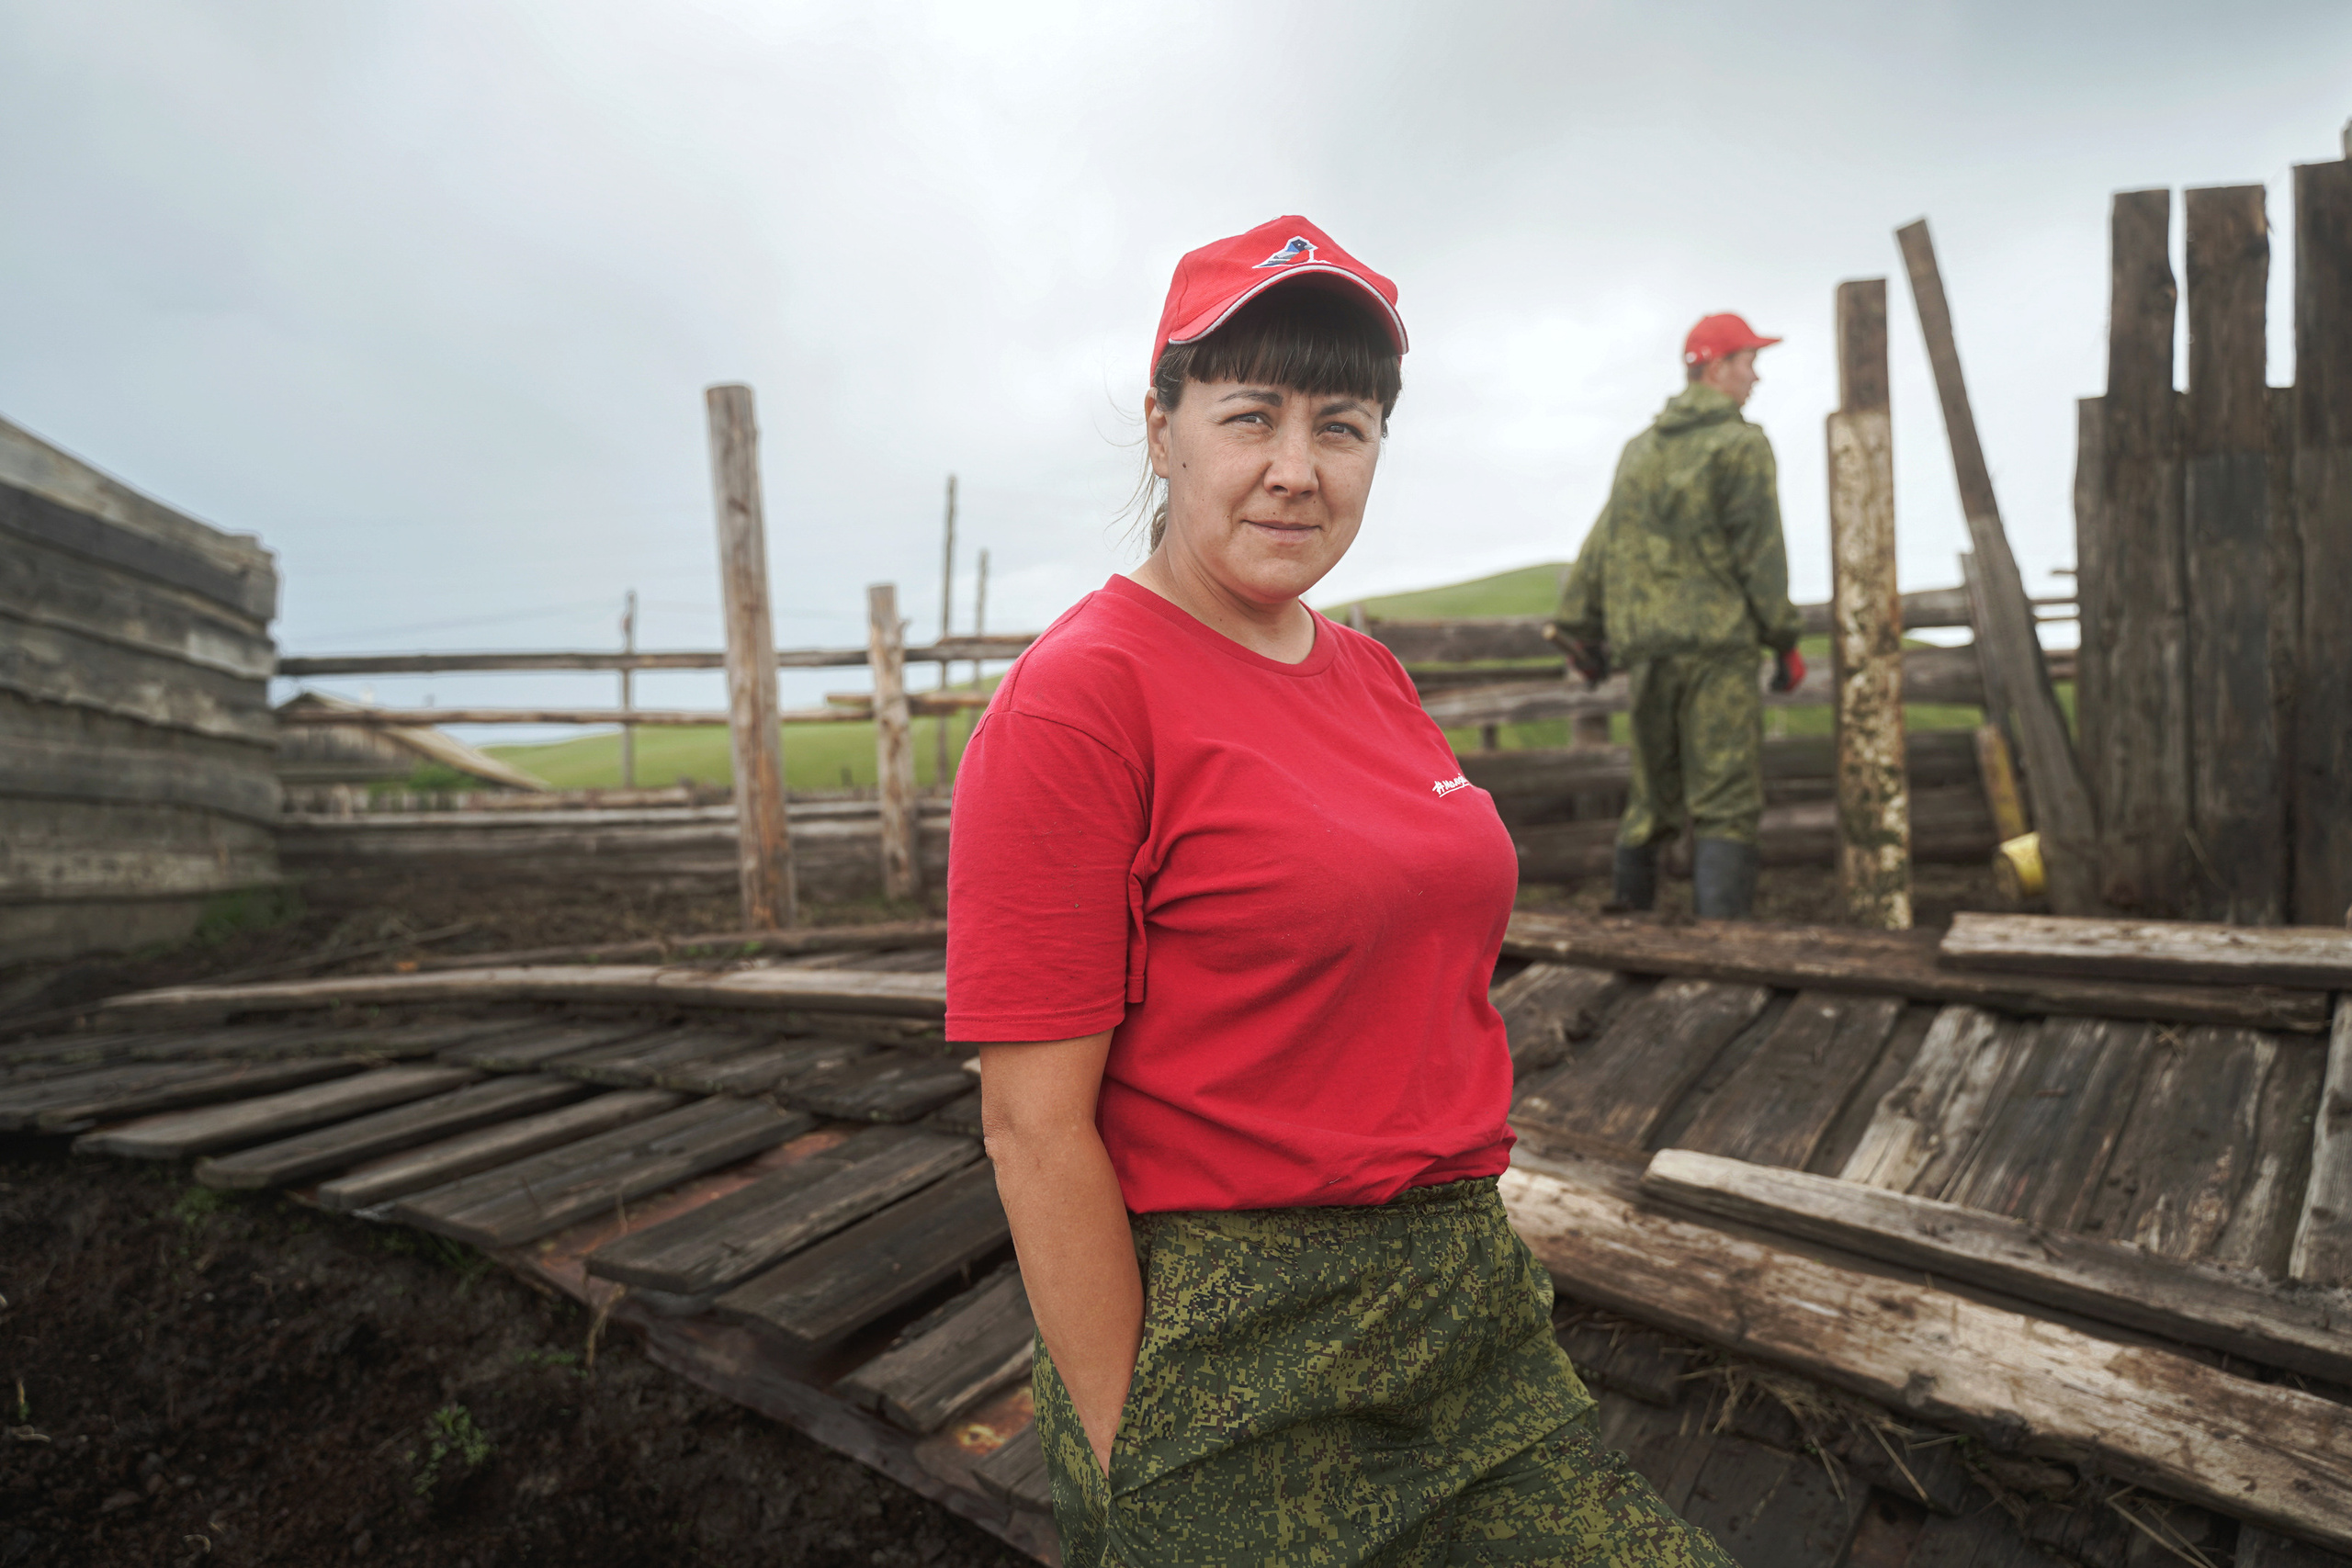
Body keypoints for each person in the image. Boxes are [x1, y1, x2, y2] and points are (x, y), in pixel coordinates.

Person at [947, 215, 1733, 1566]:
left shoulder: (1371, 675)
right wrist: (1144, 1454)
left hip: (1461, 1312)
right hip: (1229, 1341)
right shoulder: (1081, 699)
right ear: (1162, 430)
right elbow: (1032, 1128)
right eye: (1250, 415)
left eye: (1343, 425)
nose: (1296, 470)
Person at [1551, 313, 1805, 921]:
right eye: (1749, 362)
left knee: (1650, 797)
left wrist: (1577, 624)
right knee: (1725, 800)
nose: (1756, 377)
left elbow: (1603, 541)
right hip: (1716, 646)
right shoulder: (1742, 445)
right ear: (1716, 368)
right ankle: (1722, 944)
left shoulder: (1640, 450)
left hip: (1648, 648)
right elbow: (1760, 551)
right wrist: (1783, 638)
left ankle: (1630, 931)